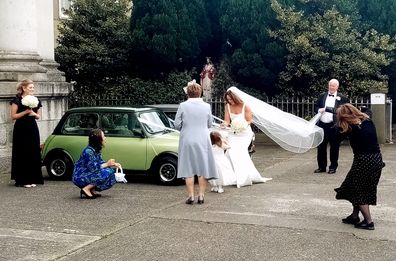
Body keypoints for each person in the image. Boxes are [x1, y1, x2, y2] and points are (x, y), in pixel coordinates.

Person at [334, 104, 385, 230]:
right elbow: (366, 112)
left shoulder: (350, 127)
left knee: (359, 191)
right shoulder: (368, 121)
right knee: (353, 185)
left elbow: (336, 138)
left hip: (363, 160)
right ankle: (354, 216)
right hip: (376, 159)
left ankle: (369, 222)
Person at [174, 80, 218, 204]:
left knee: (188, 168)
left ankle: (191, 196)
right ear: (200, 93)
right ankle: (202, 195)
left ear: (187, 93)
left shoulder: (183, 105)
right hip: (203, 139)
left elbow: (177, 125)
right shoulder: (206, 106)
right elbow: (209, 124)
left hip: (187, 139)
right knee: (202, 168)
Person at [222, 89, 272, 188]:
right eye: (228, 100)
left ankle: (243, 178)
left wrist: (242, 124)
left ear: (235, 98)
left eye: (231, 99)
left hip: (245, 133)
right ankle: (233, 177)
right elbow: (227, 121)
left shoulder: (245, 106)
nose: (230, 101)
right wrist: (224, 124)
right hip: (233, 133)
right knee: (230, 152)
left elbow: (249, 120)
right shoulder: (227, 106)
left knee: (240, 151)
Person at [10, 79, 43, 187]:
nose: (32, 89)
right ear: (24, 88)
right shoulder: (17, 100)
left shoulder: (36, 100)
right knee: (22, 152)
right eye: (30, 87)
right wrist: (25, 111)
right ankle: (22, 180)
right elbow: (13, 116)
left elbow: (39, 116)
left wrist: (33, 113)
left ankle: (33, 178)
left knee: (33, 151)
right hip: (21, 128)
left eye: (33, 87)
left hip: (32, 128)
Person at [72, 128, 120, 199]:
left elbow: (100, 162)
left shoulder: (95, 149)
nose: (105, 138)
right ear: (98, 139)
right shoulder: (88, 151)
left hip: (87, 174)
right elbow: (93, 168)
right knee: (107, 172)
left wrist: (112, 164)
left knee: (109, 171)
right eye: (103, 136)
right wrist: (107, 164)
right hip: (80, 176)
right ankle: (86, 189)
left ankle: (92, 189)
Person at [315, 79, 349, 174]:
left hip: (334, 125)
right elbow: (316, 106)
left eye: (333, 86)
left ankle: (333, 167)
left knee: (334, 147)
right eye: (330, 85)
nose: (331, 87)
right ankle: (321, 167)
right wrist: (319, 110)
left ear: (337, 87)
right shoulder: (322, 95)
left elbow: (343, 111)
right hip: (322, 125)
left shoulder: (342, 98)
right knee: (321, 147)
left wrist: (329, 109)